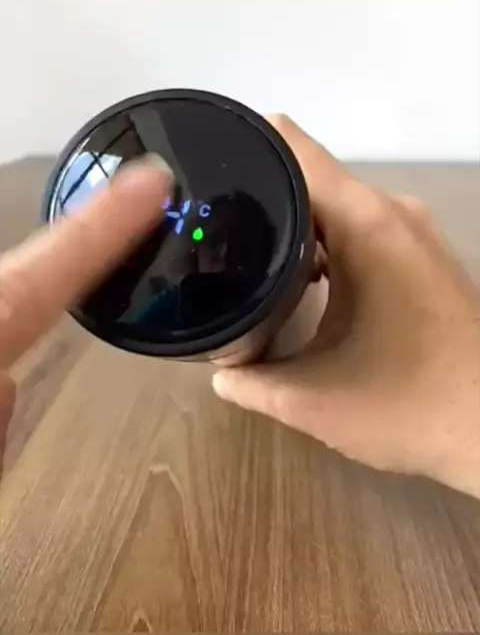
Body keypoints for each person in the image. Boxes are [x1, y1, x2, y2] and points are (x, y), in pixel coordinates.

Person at [0, 117, 478, 498]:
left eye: (234, 244)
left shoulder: (182, 306)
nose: (218, 252)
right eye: (210, 243)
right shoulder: (172, 306)